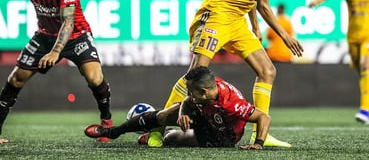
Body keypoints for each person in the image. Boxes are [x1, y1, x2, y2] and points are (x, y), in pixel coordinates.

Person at [146, 0, 323, 147]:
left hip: (237, 19)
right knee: (195, 74)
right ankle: (157, 129)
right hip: (219, 13)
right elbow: (264, 5)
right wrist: (286, 37)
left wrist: (254, 26)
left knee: (267, 71)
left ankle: (262, 135)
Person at [0, 0, 113, 144]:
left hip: (76, 35)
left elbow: (68, 23)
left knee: (94, 78)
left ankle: (106, 121)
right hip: (45, 35)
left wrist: (55, 52)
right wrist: (48, 44)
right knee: (15, 80)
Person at [85, 66, 271, 149]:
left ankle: (158, 135)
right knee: (165, 114)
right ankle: (112, 132)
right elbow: (188, 101)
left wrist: (258, 144)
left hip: (221, 136)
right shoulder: (207, 91)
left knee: (172, 139)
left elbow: (264, 117)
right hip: (205, 113)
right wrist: (182, 112)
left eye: (192, 90)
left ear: (204, 91)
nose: (189, 93)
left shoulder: (232, 104)